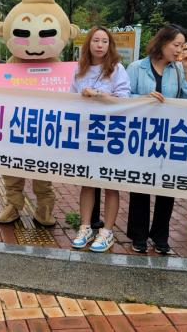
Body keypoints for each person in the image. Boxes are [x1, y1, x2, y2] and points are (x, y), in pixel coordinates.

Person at [125, 24, 187, 254]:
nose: (179, 50)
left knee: (167, 186)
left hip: (168, 136)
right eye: (176, 45)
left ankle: (160, 236)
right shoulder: (137, 67)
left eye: (182, 46)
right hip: (142, 134)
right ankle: (138, 236)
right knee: (140, 185)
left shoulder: (177, 69)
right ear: (162, 42)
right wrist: (143, 97)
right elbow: (124, 97)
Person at [69, 26, 130, 252]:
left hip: (112, 134)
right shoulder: (79, 70)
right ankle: (85, 227)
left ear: (110, 45)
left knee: (110, 183)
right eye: (96, 40)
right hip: (87, 133)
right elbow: (70, 100)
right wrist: (82, 96)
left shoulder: (117, 69)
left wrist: (103, 96)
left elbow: (125, 100)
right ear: (89, 44)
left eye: (104, 41)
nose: (100, 45)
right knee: (88, 181)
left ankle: (107, 231)